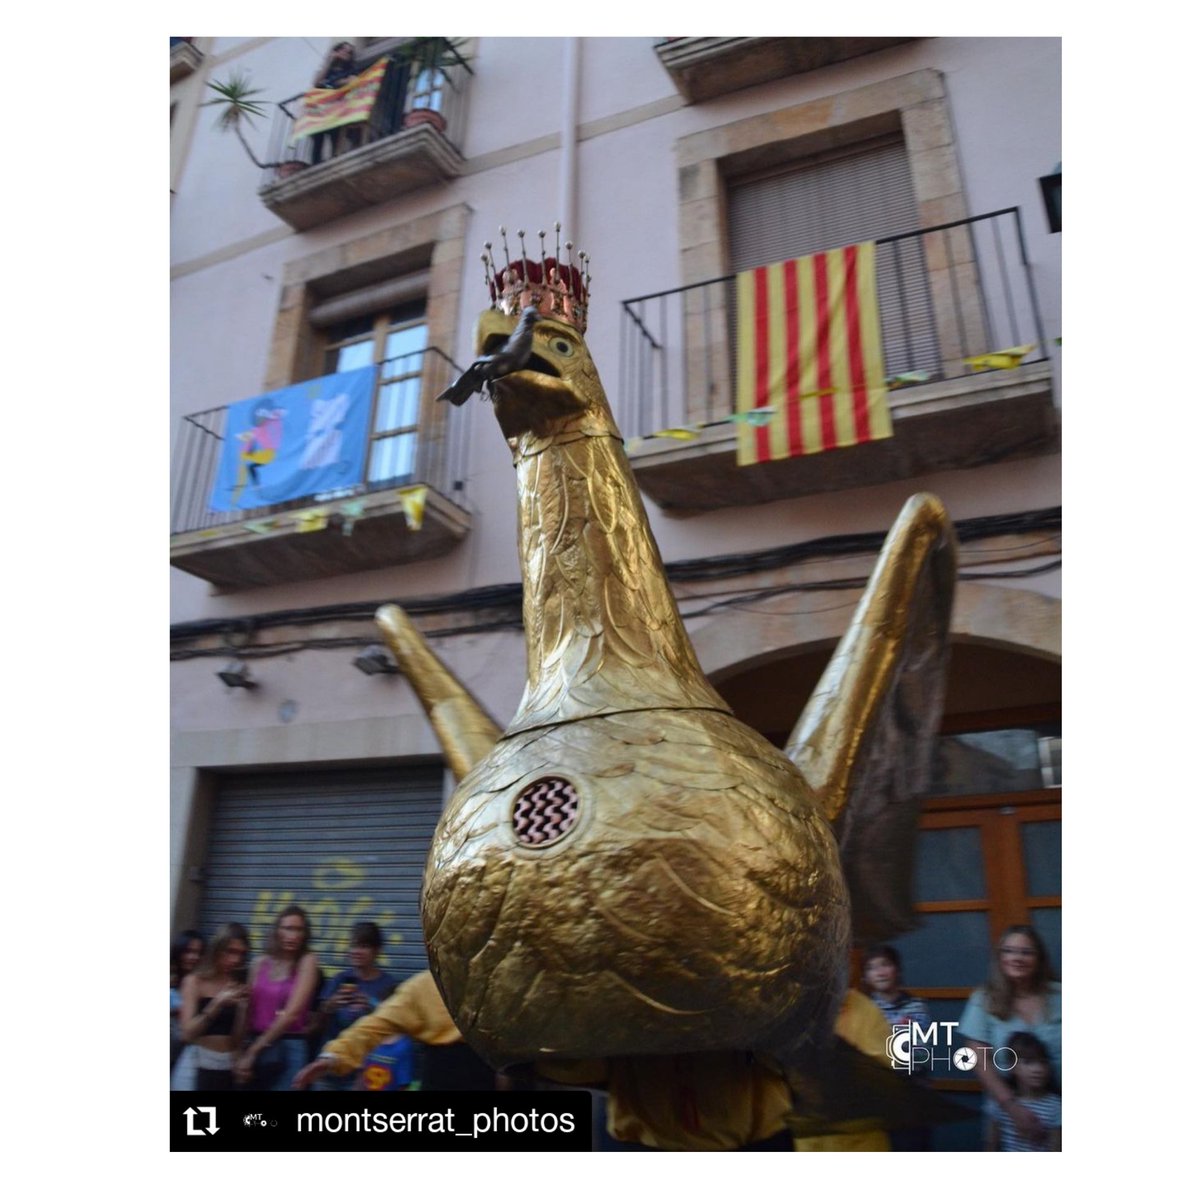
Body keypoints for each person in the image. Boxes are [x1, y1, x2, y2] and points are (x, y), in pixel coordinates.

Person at [292, 968, 496, 1092]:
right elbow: (375, 1025)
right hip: (442, 1078)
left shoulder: (503, 980)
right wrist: (333, 1056)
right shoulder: (425, 986)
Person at [959, 925, 1061, 1146]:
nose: (1017, 958)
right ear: (999, 957)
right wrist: (1012, 1108)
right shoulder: (983, 999)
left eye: (1026, 952)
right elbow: (979, 1060)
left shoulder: (1061, 995)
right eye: (1009, 951)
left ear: (1039, 958)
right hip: (1007, 1113)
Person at [237, 905, 320, 1090]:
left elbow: (292, 1013)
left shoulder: (307, 961)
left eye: (299, 930)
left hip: (289, 1045)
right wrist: (241, 1049)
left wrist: (253, 1051)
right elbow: (248, 1008)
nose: (293, 935)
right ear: (277, 931)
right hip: (255, 1040)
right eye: (288, 928)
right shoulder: (260, 963)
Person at [862, 943, 932, 1150]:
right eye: (872, 967)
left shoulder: (917, 1007)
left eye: (885, 964)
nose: (880, 972)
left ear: (897, 970)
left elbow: (919, 1055)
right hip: (874, 1105)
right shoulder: (862, 1009)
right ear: (865, 976)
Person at [312, 921, 398, 1090]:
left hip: (368, 1070)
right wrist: (330, 1005)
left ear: (377, 951)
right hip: (332, 1065)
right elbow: (317, 1024)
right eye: (353, 945)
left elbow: (396, 1028)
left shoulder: (388, 984)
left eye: (364, 946)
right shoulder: (339, 980)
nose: (356, 951)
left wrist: (371, 1005)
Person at [179, 924, 250, 1090]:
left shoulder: (236, 983)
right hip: (198, 1064)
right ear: (217, 949)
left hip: (226, 1066)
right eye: (230, 952)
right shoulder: (195, 981)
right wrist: (217, 1003)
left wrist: (243, 1008)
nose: (236, 960)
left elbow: (236, 1041)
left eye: (241, 954)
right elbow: (187, 1034)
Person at [984, 1032, 1060, 1151]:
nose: (1038, 1069)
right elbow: (991, 1145)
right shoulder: (1000, 1105)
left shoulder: (1055, 1106)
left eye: (1043, 1062)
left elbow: (1056, 1149)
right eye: (1028, 1062)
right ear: (1012, 1066)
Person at [309, 42, 361, 164]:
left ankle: (335, 160)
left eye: (349, 52)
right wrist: (329, 61)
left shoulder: (350, 71)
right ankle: (315, 163)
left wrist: (335, 83)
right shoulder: (327, 70)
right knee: (318, 137)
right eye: (342, 49)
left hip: (338, 108)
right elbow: (317, 83)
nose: (345, 53)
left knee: (335, 135)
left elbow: (353, 82)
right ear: (336, 51)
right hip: (322, 109)